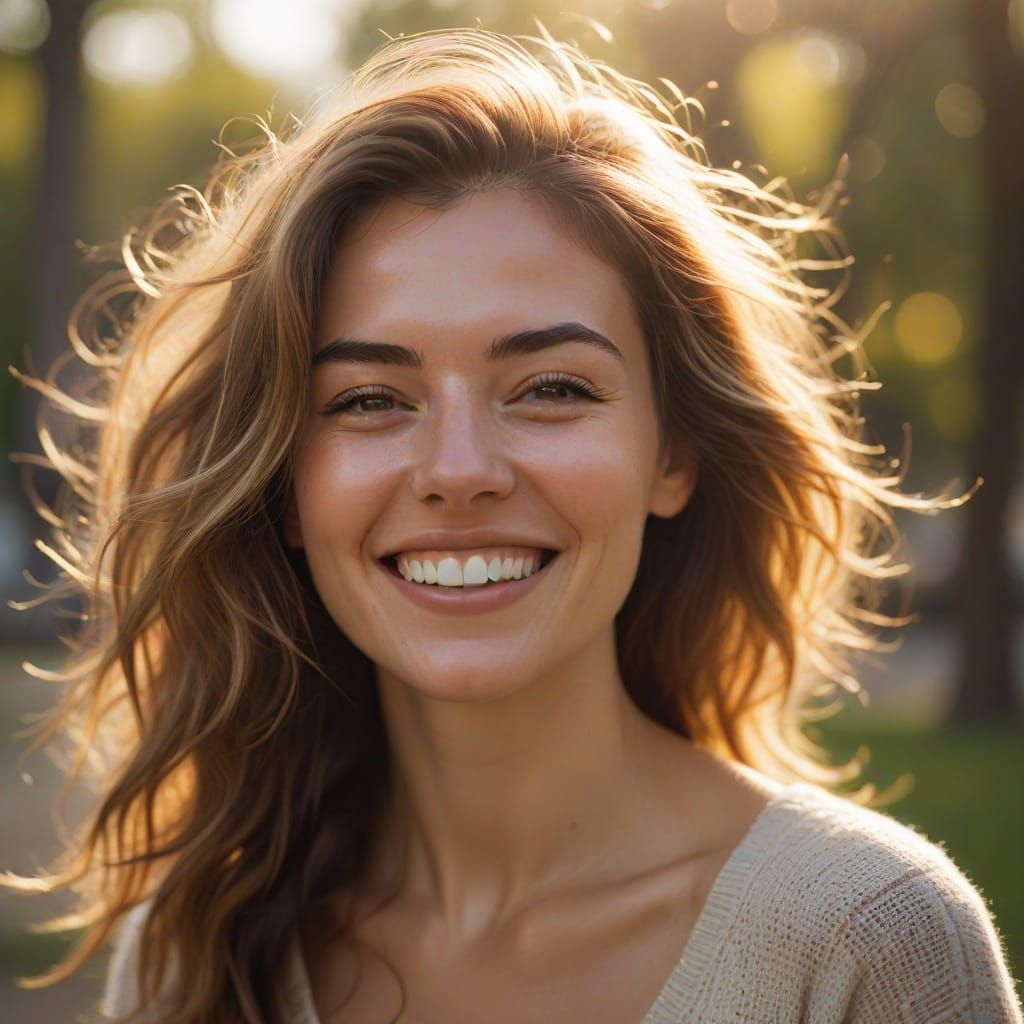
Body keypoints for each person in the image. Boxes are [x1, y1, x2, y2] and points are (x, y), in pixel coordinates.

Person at [4, 25, 1021, 1024]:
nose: (457, 471)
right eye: (367, 400)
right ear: (283, 487)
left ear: (672, 454)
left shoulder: (870, 944)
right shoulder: (198, 945)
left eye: (549, 387)